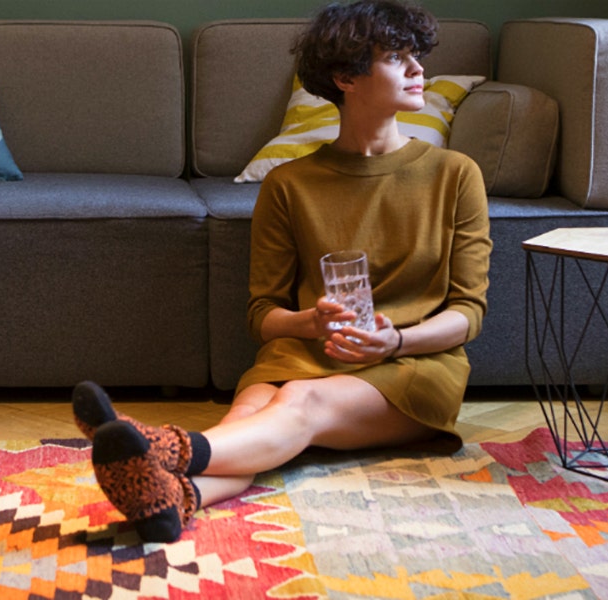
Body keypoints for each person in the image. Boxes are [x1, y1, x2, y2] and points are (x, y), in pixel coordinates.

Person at [72, 0, 491, 543]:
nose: (418, 71)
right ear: (346, 78)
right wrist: (310, 323)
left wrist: (395, 342)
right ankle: (174, 500)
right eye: (396, 58)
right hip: (300, 353)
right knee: (246, 427)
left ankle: (165, 447)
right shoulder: (290, 184)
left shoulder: (456, 174)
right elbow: (262, 316)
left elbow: (468, 313)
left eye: (417, 57)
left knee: (298, 402)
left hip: (415, 365)